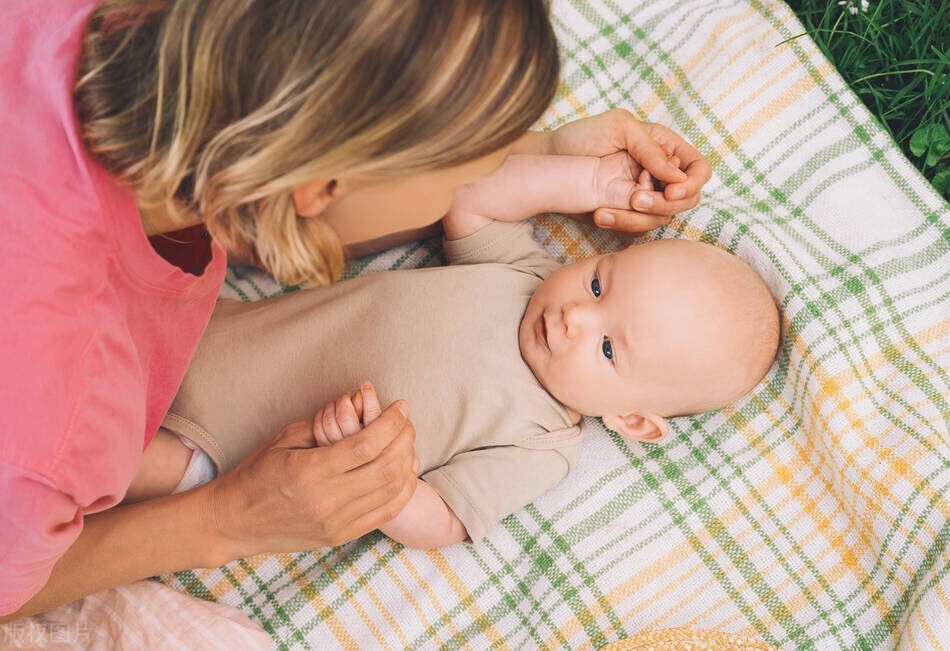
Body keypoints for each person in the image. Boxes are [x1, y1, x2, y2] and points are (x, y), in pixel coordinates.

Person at [0, 0, 711, 619]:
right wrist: (226, 519)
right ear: (318, 188)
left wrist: (553, 153)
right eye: (473, 160)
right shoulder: (49, 426)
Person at [140, 152, 779, 549]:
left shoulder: (541, 444)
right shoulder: (522, 275)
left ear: (633, 420)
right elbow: (472, 198)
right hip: (218, 332)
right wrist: (587, 180)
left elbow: (445, 519)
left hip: (219, 444)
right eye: (596, 283)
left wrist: (373, 473)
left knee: (109, 461)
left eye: (609, 348)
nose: (575, 318)